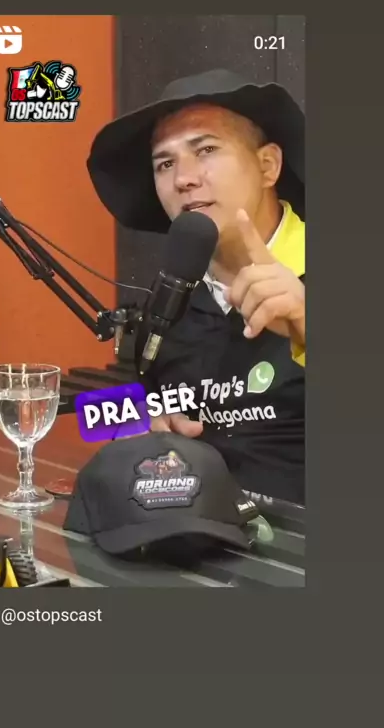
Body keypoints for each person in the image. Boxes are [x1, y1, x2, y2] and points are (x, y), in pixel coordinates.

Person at [87, 69, 305, 505]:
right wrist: (137, 425)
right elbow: (106, 414)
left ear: (268, 165)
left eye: (205, 149)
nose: (183, 179)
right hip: (196, 527)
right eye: (165, 164)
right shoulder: (169, 295)